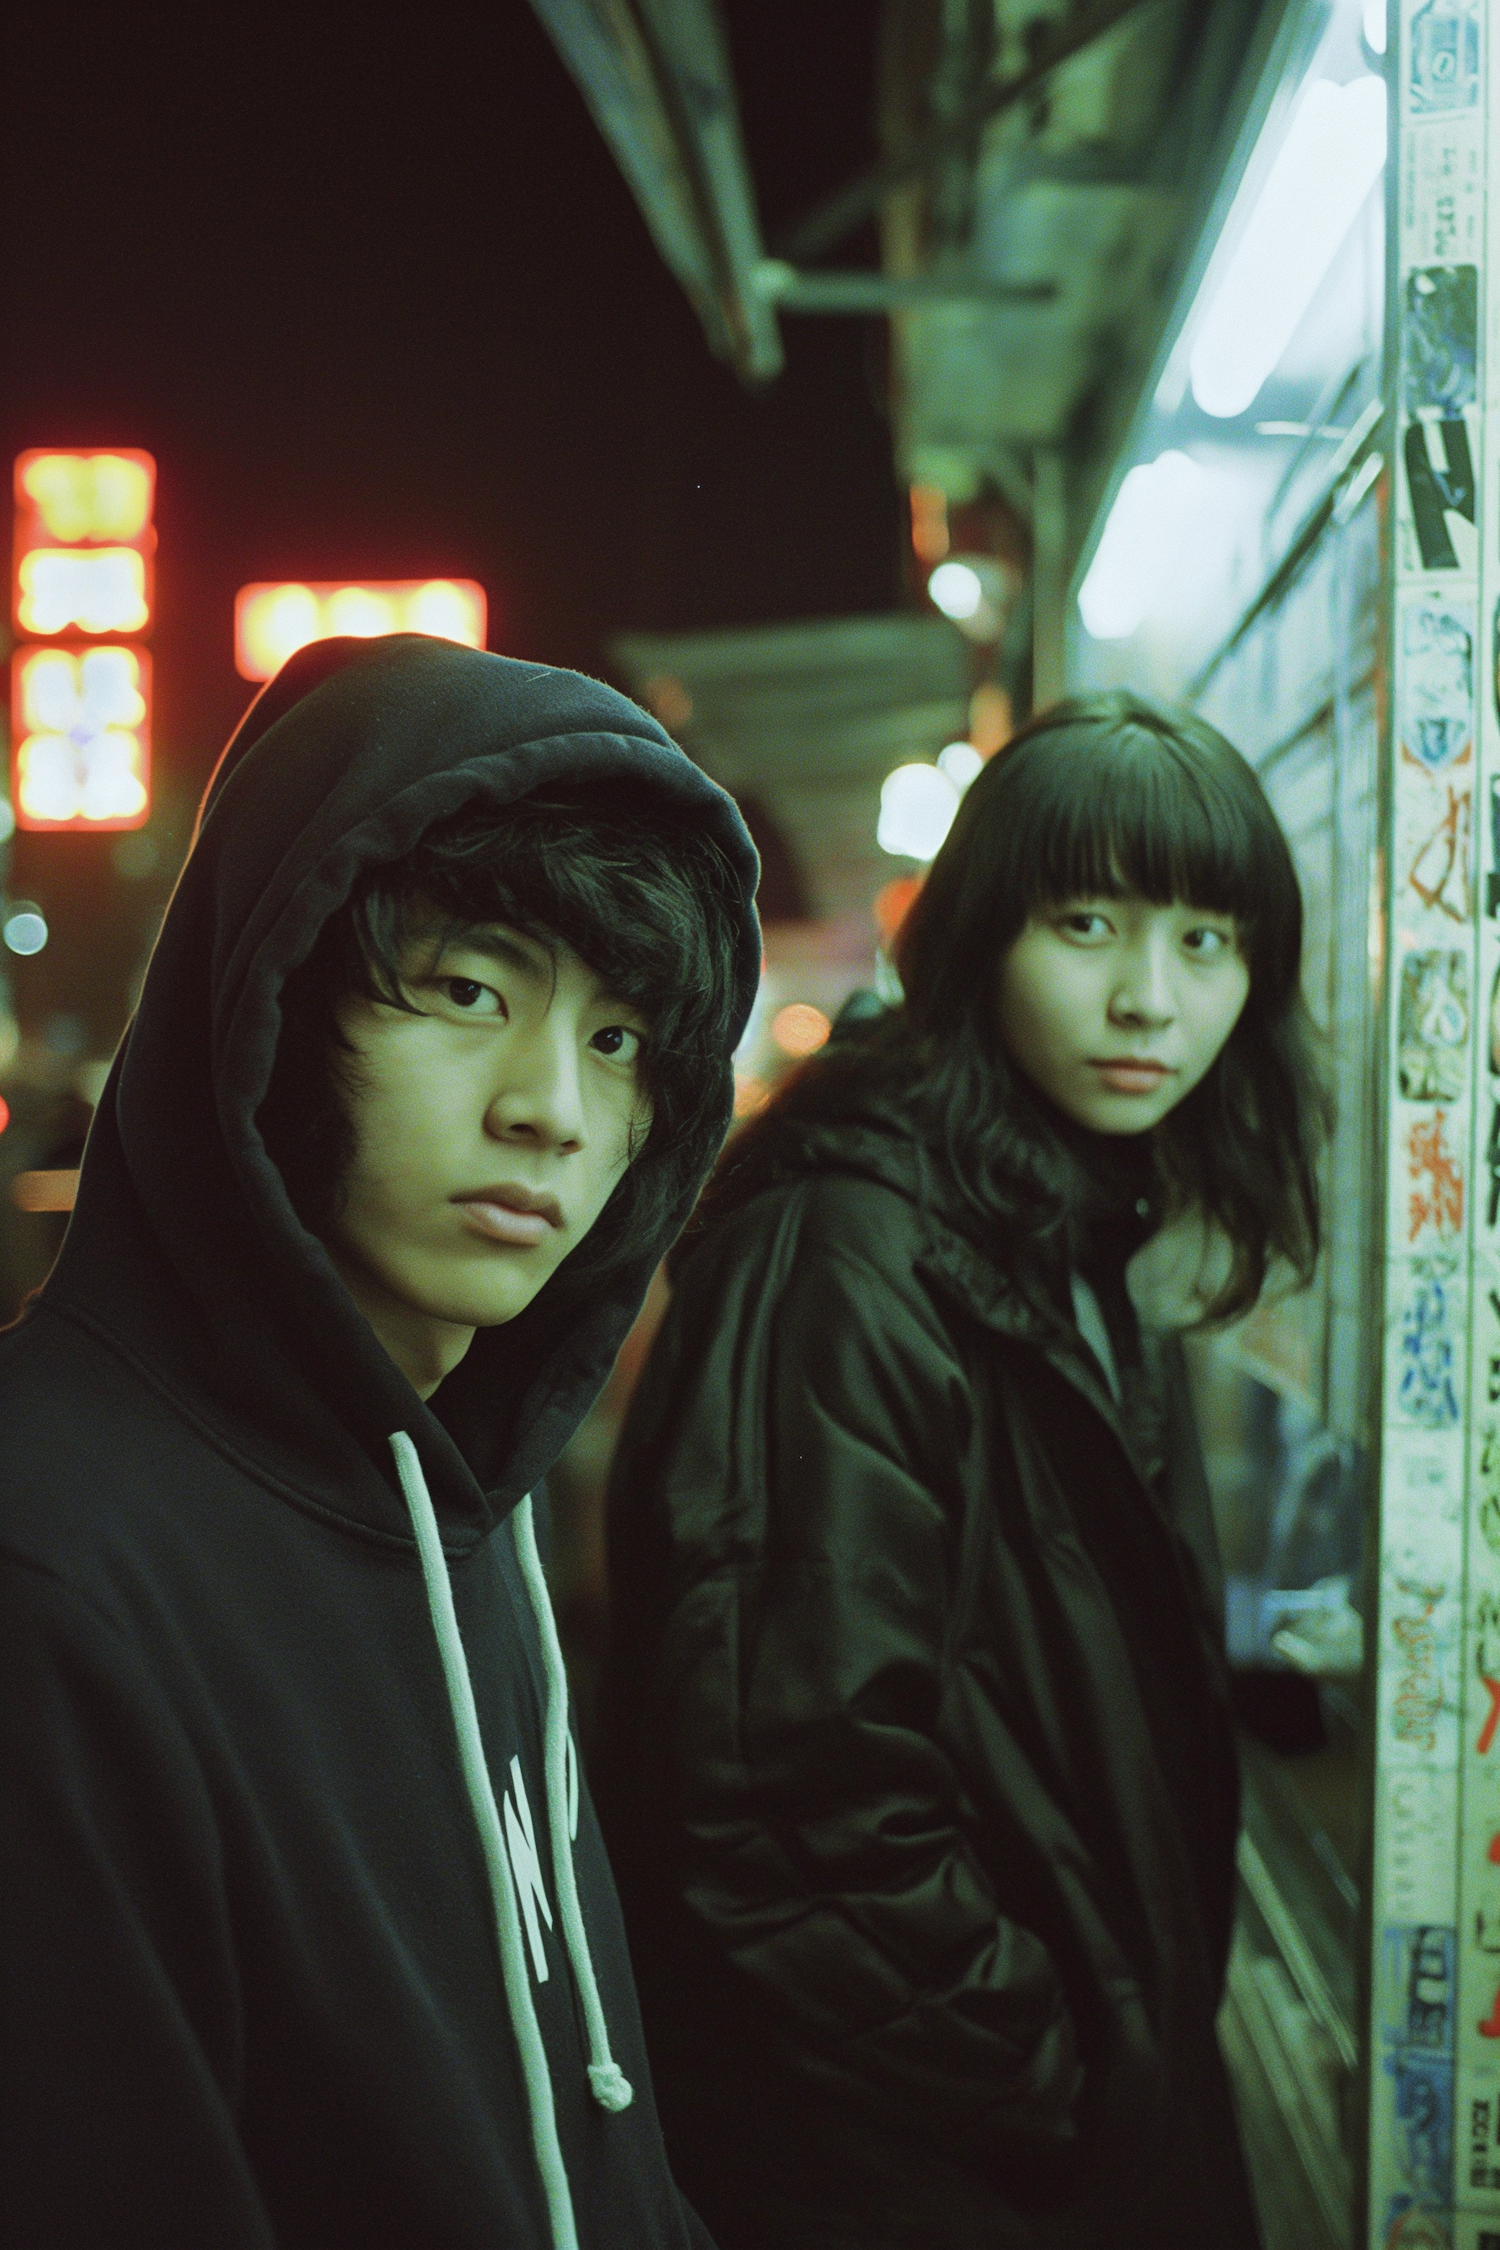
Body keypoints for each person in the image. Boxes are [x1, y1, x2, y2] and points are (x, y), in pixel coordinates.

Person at [0, 633, 761, 2250]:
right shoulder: (51, 1562)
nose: (553, 1108)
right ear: (270, 1001)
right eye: (472, 991)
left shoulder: (462, 1494)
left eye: (621, 1038)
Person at [599, 692, 1330, 2250]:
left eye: (1207, 941)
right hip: (934, 2172)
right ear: (983, 937)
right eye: (1088, 924)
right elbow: (782, 1794)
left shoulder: (1064, 1224)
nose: (1149, 998)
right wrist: (1063, 2088)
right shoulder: (849, 1250)